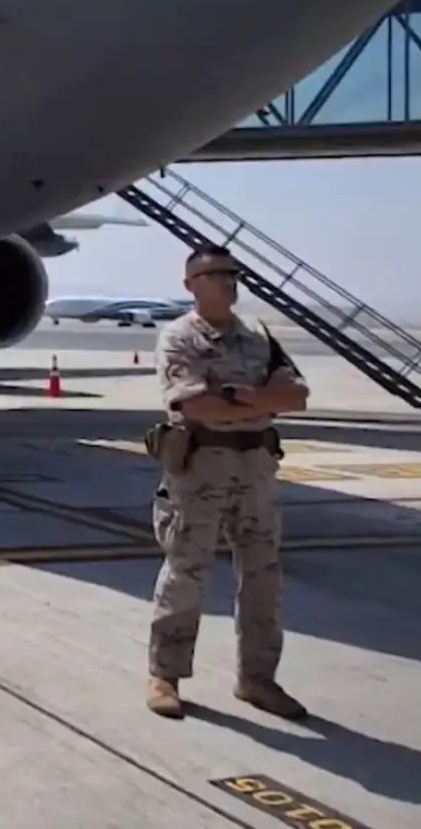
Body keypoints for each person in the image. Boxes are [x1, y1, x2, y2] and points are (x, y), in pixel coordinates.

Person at [144, 244, 308, 721]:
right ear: (190, 285)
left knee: (263, 577)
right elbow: (195, 407)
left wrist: (239, 399)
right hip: (201, 469)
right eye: (214, 274)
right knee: (186, 573)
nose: (227, 281)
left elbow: (297, 395)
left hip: (255, 468)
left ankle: (257, 678)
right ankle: (165, 675)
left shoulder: (259, 336)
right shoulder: (179, 338)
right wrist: (260, 402)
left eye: (231, 273)